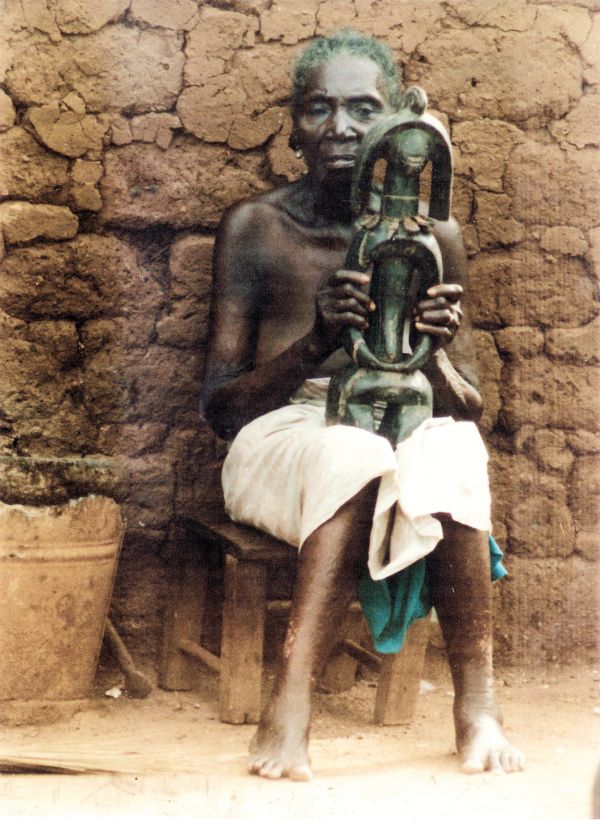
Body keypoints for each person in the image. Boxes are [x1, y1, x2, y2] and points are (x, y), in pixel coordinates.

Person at [201, 30, 525, 781]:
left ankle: (476, 707)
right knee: (352, 450)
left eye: (362, 108)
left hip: (402, 424)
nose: (340, 128)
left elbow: (466, 408)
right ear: (292, 126)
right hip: (284, 433)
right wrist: (317, 341)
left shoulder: (434, 234)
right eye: (319, 109)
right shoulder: (258, 229)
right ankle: (289, 708)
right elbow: (221, 410)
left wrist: (436, 353)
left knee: (450, 449)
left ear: (398, 127)